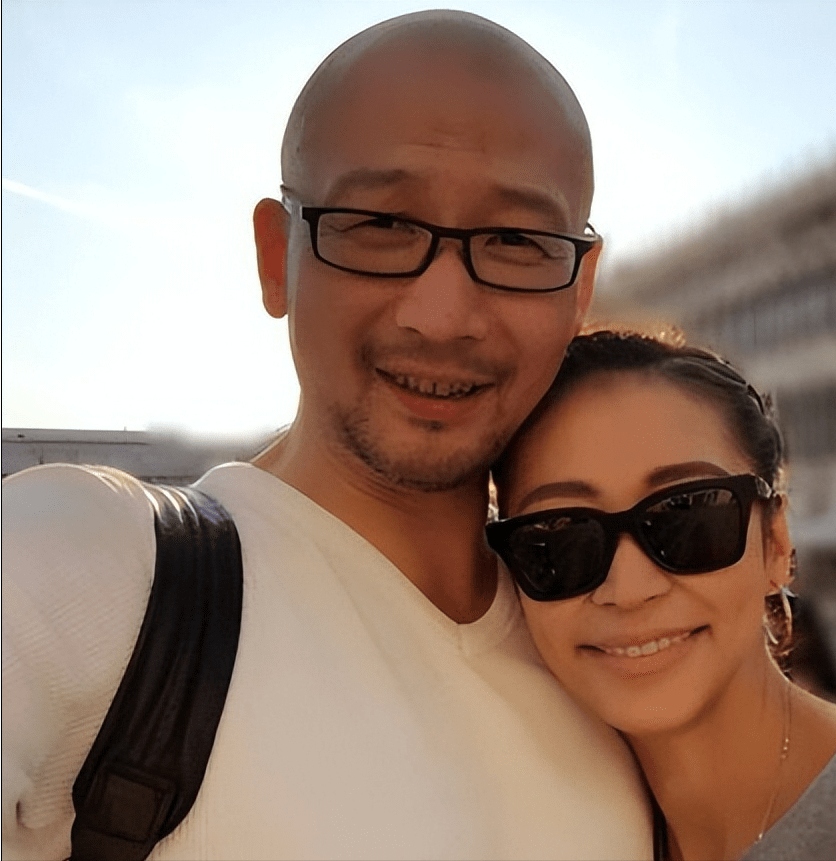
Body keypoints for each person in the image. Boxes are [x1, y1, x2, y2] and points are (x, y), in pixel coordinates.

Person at [2, 12, 651, 860]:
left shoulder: (612, 649)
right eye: (381, 225)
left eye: (515, 240)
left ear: (579, 290)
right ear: (276, 258)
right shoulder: (88, 570)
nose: (442, 315)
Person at [487, 328, 836, 861]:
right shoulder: (547, 833)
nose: (628, 587)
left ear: (775, 542)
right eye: (559, 537)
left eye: (687, 515)